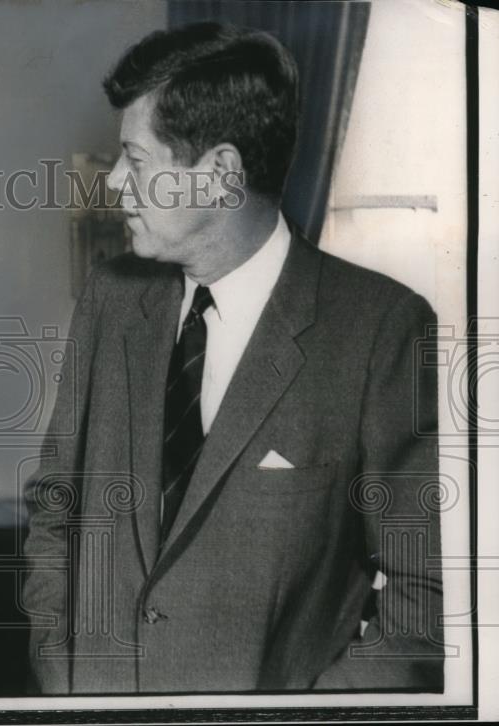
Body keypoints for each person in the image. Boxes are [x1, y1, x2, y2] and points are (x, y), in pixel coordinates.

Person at [22, 23, 443, 694]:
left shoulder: (379, 330)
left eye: (136, 159)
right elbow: (56, 509)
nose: (115, 185)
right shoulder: (112, 297)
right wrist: (64, 679)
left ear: (219, 174)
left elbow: (429, 599)